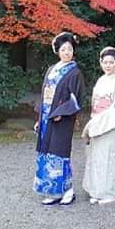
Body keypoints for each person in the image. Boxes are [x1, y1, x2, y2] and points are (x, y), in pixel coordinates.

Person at [33, 32, 84, 206]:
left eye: (70, 49)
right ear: (58, 51)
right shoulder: (51, 69)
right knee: (46, 152)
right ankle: (58, 190)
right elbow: (44, 94)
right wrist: (40, 118)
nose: (67, 52)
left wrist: (62, 112)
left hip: (62, 118)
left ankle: (63, 191)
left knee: (59, 153)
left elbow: (76, 98)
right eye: (63, 49)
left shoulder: (75, 72)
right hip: (47, 115)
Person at [82, 46, 115, 205]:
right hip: (97, 120)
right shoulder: (101, 80)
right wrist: (94, 120)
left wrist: (100, 121)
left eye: (111, 62)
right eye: (105, 62)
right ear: (101, 63)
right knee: (95, 157)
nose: (108, 65)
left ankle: (110, 193)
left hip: (109, 123)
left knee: (107, 157)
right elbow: (94, 102)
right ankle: (96, 190)